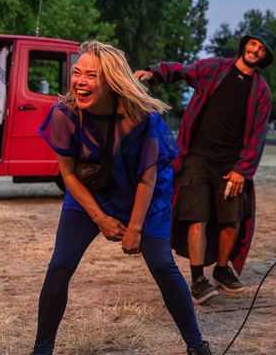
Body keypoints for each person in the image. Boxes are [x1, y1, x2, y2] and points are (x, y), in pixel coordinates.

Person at [33, 41, 211, 355]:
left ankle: (197, 346)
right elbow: (69, 175)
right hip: (92, 192)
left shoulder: (140, 117)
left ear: (111, 81)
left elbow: (147, 177)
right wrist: (100, 218)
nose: (80, 82)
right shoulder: (64, 114)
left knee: (162, 265)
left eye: (91, 75)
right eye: (77, 73)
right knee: (60, 265)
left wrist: (135, 229)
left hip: (143, 194)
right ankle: (41, 350)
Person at [135, 29, 275, 304]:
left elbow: (258, 136)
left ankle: (222, 269)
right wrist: (154, 72)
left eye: (262, 49)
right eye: (253, 44)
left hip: (231, 165)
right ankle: (198, 278)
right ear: (245, 44)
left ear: (265, 57)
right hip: (197, 157)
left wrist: (242, 170)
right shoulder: (214, 68)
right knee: (196, 218)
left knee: (231, 221)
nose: (255, 50)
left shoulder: (262, 92)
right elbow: (181, 70)